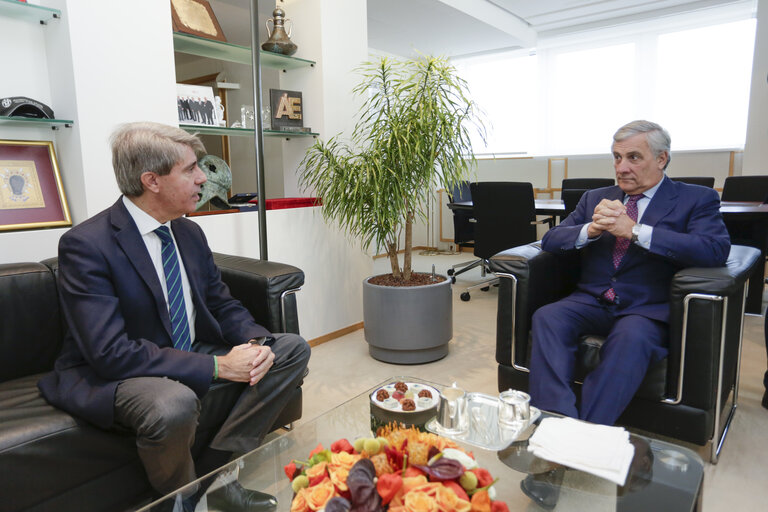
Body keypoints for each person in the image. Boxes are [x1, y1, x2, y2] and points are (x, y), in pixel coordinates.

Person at [38, 122, 311, 511]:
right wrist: (218, 367)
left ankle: (214, 480)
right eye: (190, 169)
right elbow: (110, 353)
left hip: (184, 347)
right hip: (121, 369)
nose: (203, 177)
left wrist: (256, 343)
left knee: (291, 349)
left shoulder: (187, 233)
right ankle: (179, 503)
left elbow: (221, 303)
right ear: (151, 180)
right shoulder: (87, 245)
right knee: (173, 403)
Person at [528, 120, 731, 426]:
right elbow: (551, 239)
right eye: (617, 157)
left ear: (661, 159)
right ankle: (557, 423)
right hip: (591, 300)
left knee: (631, 338)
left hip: (647, 307)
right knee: (547, 316)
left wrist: (636, 231)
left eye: (634, 157)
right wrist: (590, 229)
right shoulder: (595, 197)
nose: (621, 167)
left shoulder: (696, 198)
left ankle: (588, 433)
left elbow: (714, 249)